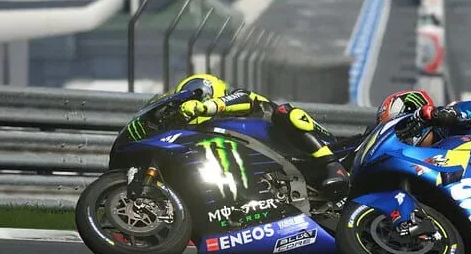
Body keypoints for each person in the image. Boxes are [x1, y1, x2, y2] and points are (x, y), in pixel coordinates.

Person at [138, 73, 350, 200]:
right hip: (279, 169)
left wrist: (206, 106)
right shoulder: (211, 130)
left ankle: (334, 166)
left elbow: (244, 98)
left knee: (285, 111)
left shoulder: (238, 98)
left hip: (311, 146)